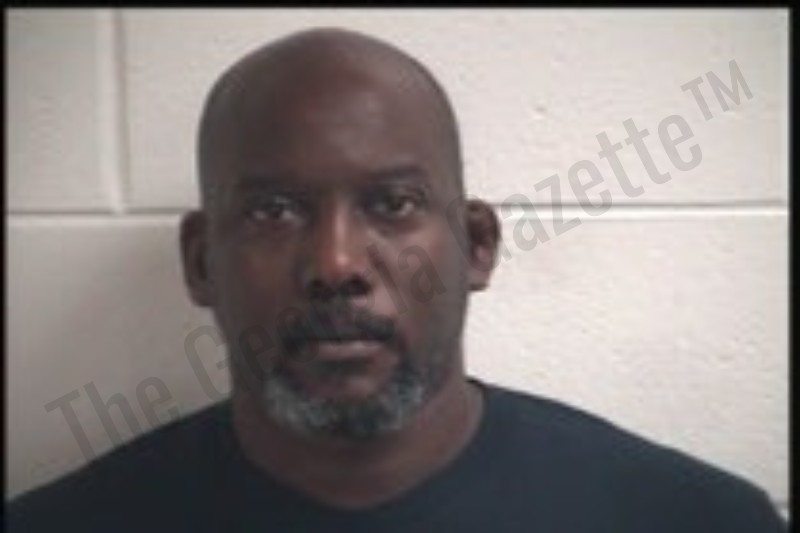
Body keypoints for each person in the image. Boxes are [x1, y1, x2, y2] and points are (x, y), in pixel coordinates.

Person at [6, 27, 785, 533]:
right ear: (202, 262)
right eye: (275, 211)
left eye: (394, 204)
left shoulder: (695, 518)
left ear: (476, 245)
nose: (337, 264)